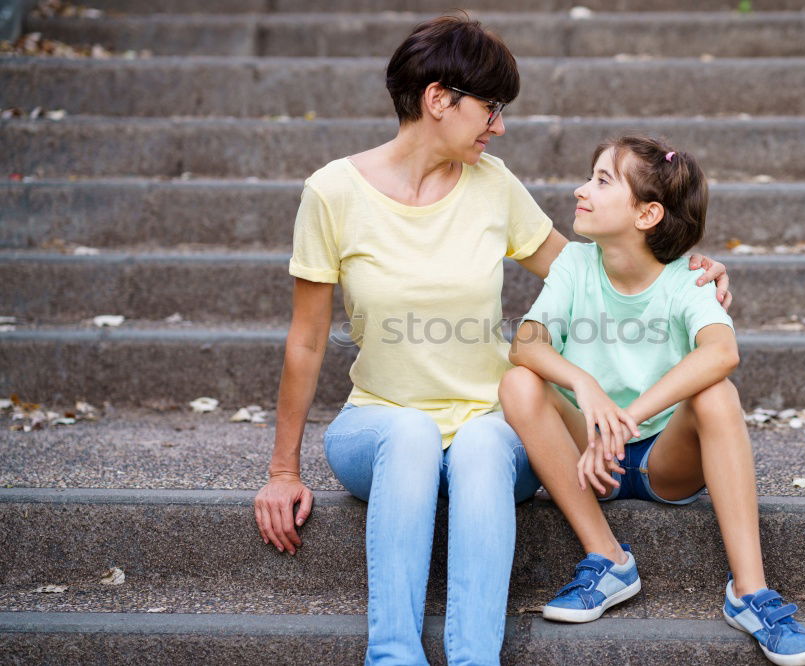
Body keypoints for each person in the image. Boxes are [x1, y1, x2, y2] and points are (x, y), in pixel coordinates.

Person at [252, 16, 732, 665]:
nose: (498, 125)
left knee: (482, 435)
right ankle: (393, 655)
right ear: (438, 99)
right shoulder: (333, 193)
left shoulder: (494, 185)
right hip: (377, 427)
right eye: (490, 107)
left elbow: (592, 271)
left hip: (492, 429)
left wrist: (681, 270)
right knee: (410, 431)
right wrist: (283, 472)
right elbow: (306, 343)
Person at [499, 135, 805, 666]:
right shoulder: (576, 267)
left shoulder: (688, 279)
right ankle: (607, 559)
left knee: (717, 393)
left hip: (662, 461)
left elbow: (722, 353)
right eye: (591, 175)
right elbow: (525, 343)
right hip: (587, 453)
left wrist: (627, 417)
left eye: (602, 181)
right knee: (518, 381)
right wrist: (585, 386)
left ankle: (750, 592)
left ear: (648, 213)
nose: (581, 189)